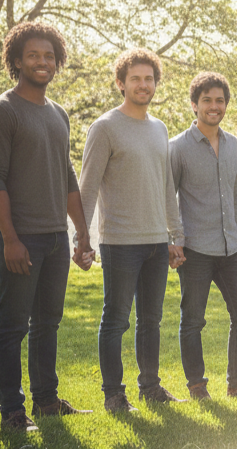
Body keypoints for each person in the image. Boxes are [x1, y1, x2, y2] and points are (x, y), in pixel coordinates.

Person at [0, 22, 94, 432]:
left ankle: (46, 401)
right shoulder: (2, 111)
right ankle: (13, 411)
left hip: (55, 237)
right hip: (19, 236)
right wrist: (10, 239)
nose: (42, 62)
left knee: (48, 323)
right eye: (33, 55)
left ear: (57, 61)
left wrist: (82, 232)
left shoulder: (58, 113)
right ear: (16, 60)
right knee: (13, 324)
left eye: (49, 55)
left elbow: (67, 176)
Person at [79, 48, 186, 412]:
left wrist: (175, 235)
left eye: (149, 79)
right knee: (116, 321)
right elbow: (88, 187)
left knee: (151, 321)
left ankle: (150, 388)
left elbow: (166, 185)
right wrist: (82, 238)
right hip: (120, 243)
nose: (143, 85)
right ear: (120, 83)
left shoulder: (160, 128)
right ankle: (113, 395)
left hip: (157, 241)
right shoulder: (105, 127)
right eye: (136, 78)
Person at [169, 72, 237, 399]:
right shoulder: (178, 148)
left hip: (231, 249)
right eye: (207, 100)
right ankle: (197, 385)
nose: (214, 106)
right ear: (194, 104)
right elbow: (169, 197)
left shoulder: (232, 146)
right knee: (193, 320)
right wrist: (176, 239)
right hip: (195, 250)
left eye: (220, 101)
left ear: (226, 105)